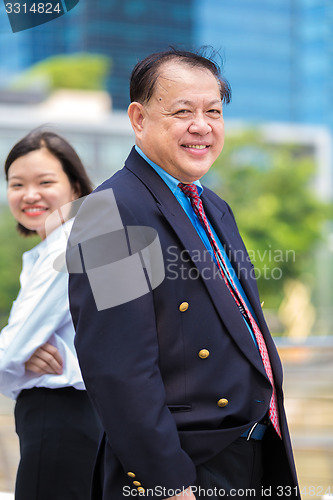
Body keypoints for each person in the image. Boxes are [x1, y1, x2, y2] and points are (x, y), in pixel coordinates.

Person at [67, 49, 300, 499]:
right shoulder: (109, 212)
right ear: (138, 118)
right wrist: (169, 485)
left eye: (213, 111)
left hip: (252, 457)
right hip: (183, 469)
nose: (202, 126)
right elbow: (119, 372)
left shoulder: (213, 206)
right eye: (182, 112)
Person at [0, 130, 101, 500]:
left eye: (45, 182)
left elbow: (13, 346)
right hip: (82, 416)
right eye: (16, 184)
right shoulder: (64, 244)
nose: (29, 195)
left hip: (60, 416)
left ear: (75, 188)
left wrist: (19, 354)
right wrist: (20, 351)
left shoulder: (70, 244)